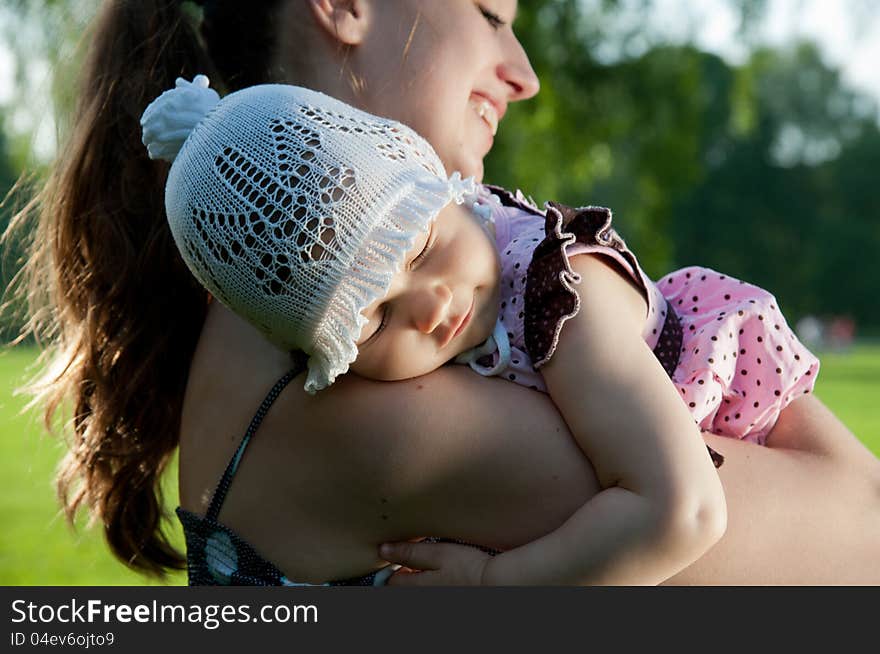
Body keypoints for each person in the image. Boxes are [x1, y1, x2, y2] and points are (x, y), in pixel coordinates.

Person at [10, 0, 879, 586]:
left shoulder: (289, 330)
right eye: (492, 14)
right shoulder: (356, 396)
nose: (525, 71)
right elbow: (851, 539)